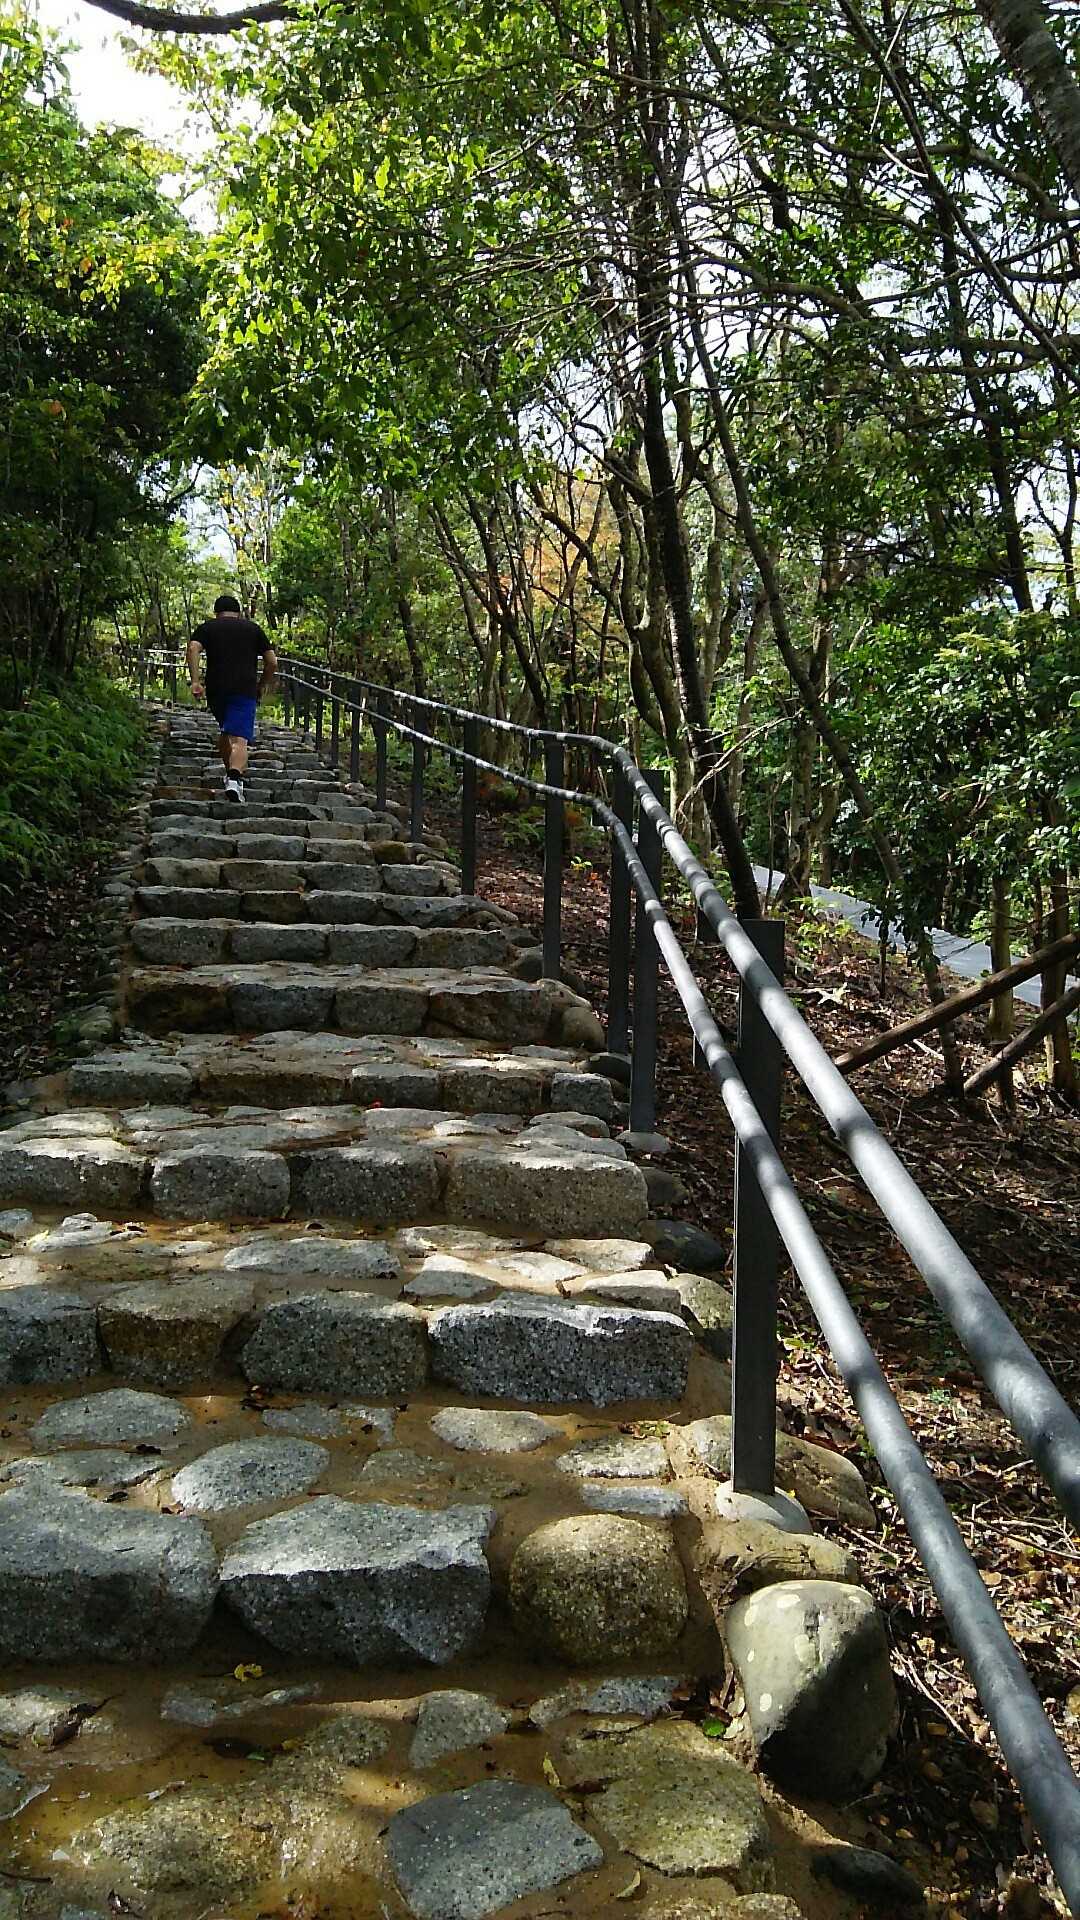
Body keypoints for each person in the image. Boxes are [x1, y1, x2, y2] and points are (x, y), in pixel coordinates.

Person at [187, 594, 277, 803]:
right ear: (238, 612)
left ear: (216, 612)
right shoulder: (253, 629)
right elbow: (272, 662)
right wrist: (261, 685)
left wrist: (195, 681)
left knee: (227, 732)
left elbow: (193, 648)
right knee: (239, 739)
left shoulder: (208, 627)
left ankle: (231, 775)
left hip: (216, 689)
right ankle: (235, 779)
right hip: (244, 688)